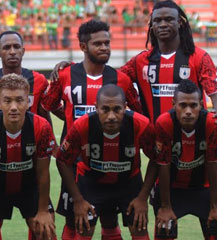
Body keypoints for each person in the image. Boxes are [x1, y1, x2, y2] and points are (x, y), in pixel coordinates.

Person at [41, 19, 143, 240]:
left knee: (110, 218)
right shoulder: (65, 75)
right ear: (83, 47)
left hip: (116, 162)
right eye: (98, 43)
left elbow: (138, 113)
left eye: (107, 42)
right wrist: (60, 137)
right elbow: (47, 105)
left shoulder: (122, 80)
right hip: (76, 163)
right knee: (75, 220)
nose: (104, 47)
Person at [56, 84, 157, 240]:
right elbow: (62, 160)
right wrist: (78, 199)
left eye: (117, 109)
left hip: (128, 182)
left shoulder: (140, 124)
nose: (111, 116)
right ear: (96, 108)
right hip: (91, 182)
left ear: (125, 107)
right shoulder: (82, 125)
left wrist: (143, 198)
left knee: (139, 227)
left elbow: (158, 158)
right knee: (84, 228)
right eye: (105, 109)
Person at [0, 73, 56, 240]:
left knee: (45, 230)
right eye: (7, 101)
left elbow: (42, 173)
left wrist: (42, 211)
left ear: (28, 102)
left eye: (19, 100)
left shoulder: (41, 127)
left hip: (29, 186)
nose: (13, 107)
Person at [119, 0, 217, 124]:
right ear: (152, 25)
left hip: (191, 138)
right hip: (154, 140)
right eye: (157, 20)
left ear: (179, 22)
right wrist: (136, 106)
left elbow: (216, 92)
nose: (163, 24)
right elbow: (116, 80)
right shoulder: (139, 61)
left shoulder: (199, 57)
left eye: (169, 19)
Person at [153, 80, 217, 240]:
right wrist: (165, 206)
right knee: (165, 228)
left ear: (202, 104)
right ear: (174, 104)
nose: (188, 111)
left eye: (193, 105)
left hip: (204, 188)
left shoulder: (210, 123)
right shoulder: (164, 123)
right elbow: (163, 166)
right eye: (183, 105)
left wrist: (215, 206)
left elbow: (212, 164)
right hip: (172, 190)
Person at [0, 31, 51, 120]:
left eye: (16, 47)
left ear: (23, 51)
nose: (12, 52)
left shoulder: (39, 80)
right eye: (7, 47)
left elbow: (45, 116)